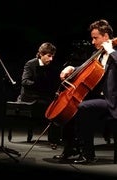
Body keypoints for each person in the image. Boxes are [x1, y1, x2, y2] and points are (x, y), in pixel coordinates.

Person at [53, 19, 117, 164]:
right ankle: (70, 149)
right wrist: (71, 68)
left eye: (95, 38)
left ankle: (88, 155)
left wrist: (111, 51)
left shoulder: (114, 53)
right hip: (99, 99)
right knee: (69, 109)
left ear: (106, 36)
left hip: (111, 101)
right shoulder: (97, 54)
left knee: (83, 107)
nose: (92, 41)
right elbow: (85, 70)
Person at [17, 42, 61, 149]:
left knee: (58, 106)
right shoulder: (31, 64)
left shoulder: (50, 66)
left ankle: (56, 137)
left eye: (52, 56)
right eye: (49, 56)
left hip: (42, 95)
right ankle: (53, 140)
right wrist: (37, 84)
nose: (51, 59)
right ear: (41, 54)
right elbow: (24, 81)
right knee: (51, 108)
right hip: (30, 97)